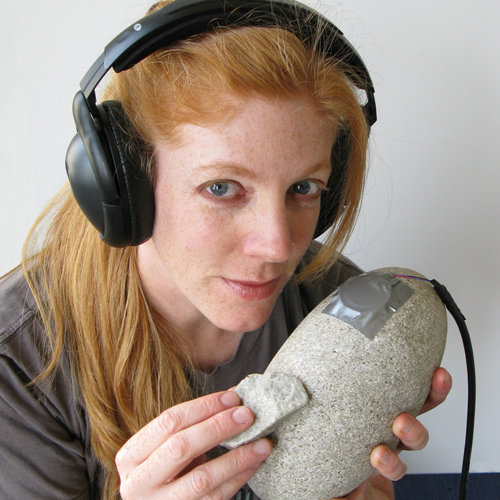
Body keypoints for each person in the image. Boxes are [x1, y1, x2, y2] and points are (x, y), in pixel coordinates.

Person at [0, 0, 452, 499]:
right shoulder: (18, 366)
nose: (278, 246)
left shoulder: (335, 310)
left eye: (303, 188)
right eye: (221, 188)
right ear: (128, 189)